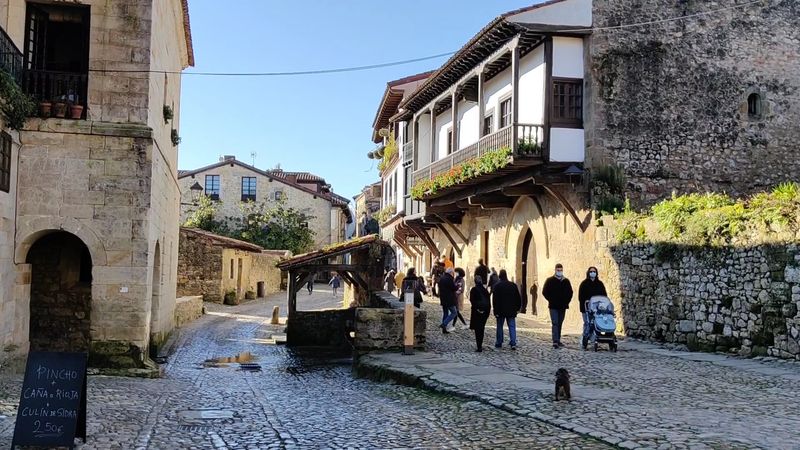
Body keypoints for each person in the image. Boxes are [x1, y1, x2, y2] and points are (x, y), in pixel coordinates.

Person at [542, 263, 573, 349]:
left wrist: (567, 301)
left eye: (561, 270)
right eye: (558, 270)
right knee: (555, 323)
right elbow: (544, 292)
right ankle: (555, 340)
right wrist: (551, 299)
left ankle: (558, 339)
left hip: (563, 306)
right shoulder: (550, 280)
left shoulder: (566, 281)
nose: (559, 272)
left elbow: (570, 293)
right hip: (553, 306)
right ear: (555, 270)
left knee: (560, 323)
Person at [578, 266, 607, 349]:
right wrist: (585, 305)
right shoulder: (584, 284)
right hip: (586, 308)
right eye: (591, 271)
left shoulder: (600, 284)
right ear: (588, 273)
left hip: (598, 308)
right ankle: (585, 337)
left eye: (594, 271)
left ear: (596, 273)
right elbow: (581, 297)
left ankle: (594, 338)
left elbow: (604, 295)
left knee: (596, 323)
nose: (592, 273)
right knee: (587, 323)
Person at [492, 270, 521, 349]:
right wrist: (517, 308)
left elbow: (495, 300)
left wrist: (495, 310)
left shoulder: (497, 286)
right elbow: (518, 298)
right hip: (511, 310)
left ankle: (499, 342)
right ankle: (513, 342)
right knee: (512, 326)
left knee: (500, 326)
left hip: (500, 310)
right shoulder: (513, 285)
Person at [469, 275, 491, 352]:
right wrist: (487, 312)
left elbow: (472, 301)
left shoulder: (474, 290)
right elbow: (489, 303)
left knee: (478, 330)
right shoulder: (485, 290)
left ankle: (479, 346)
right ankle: (480, 345)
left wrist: (478, 309)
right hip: (485, 312)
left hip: (477, 312)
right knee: (481, 328)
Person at [438, 267, 458, 333]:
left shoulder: (442, 278)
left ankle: (444, 329)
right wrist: (457, 286)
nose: (453, 274)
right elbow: (454, 288)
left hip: (443, 298)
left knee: (445, 313)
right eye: (453, 273)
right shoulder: (449, 279)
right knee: (454, 312)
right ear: (451, 273)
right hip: (449, 299)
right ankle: (444, 324)